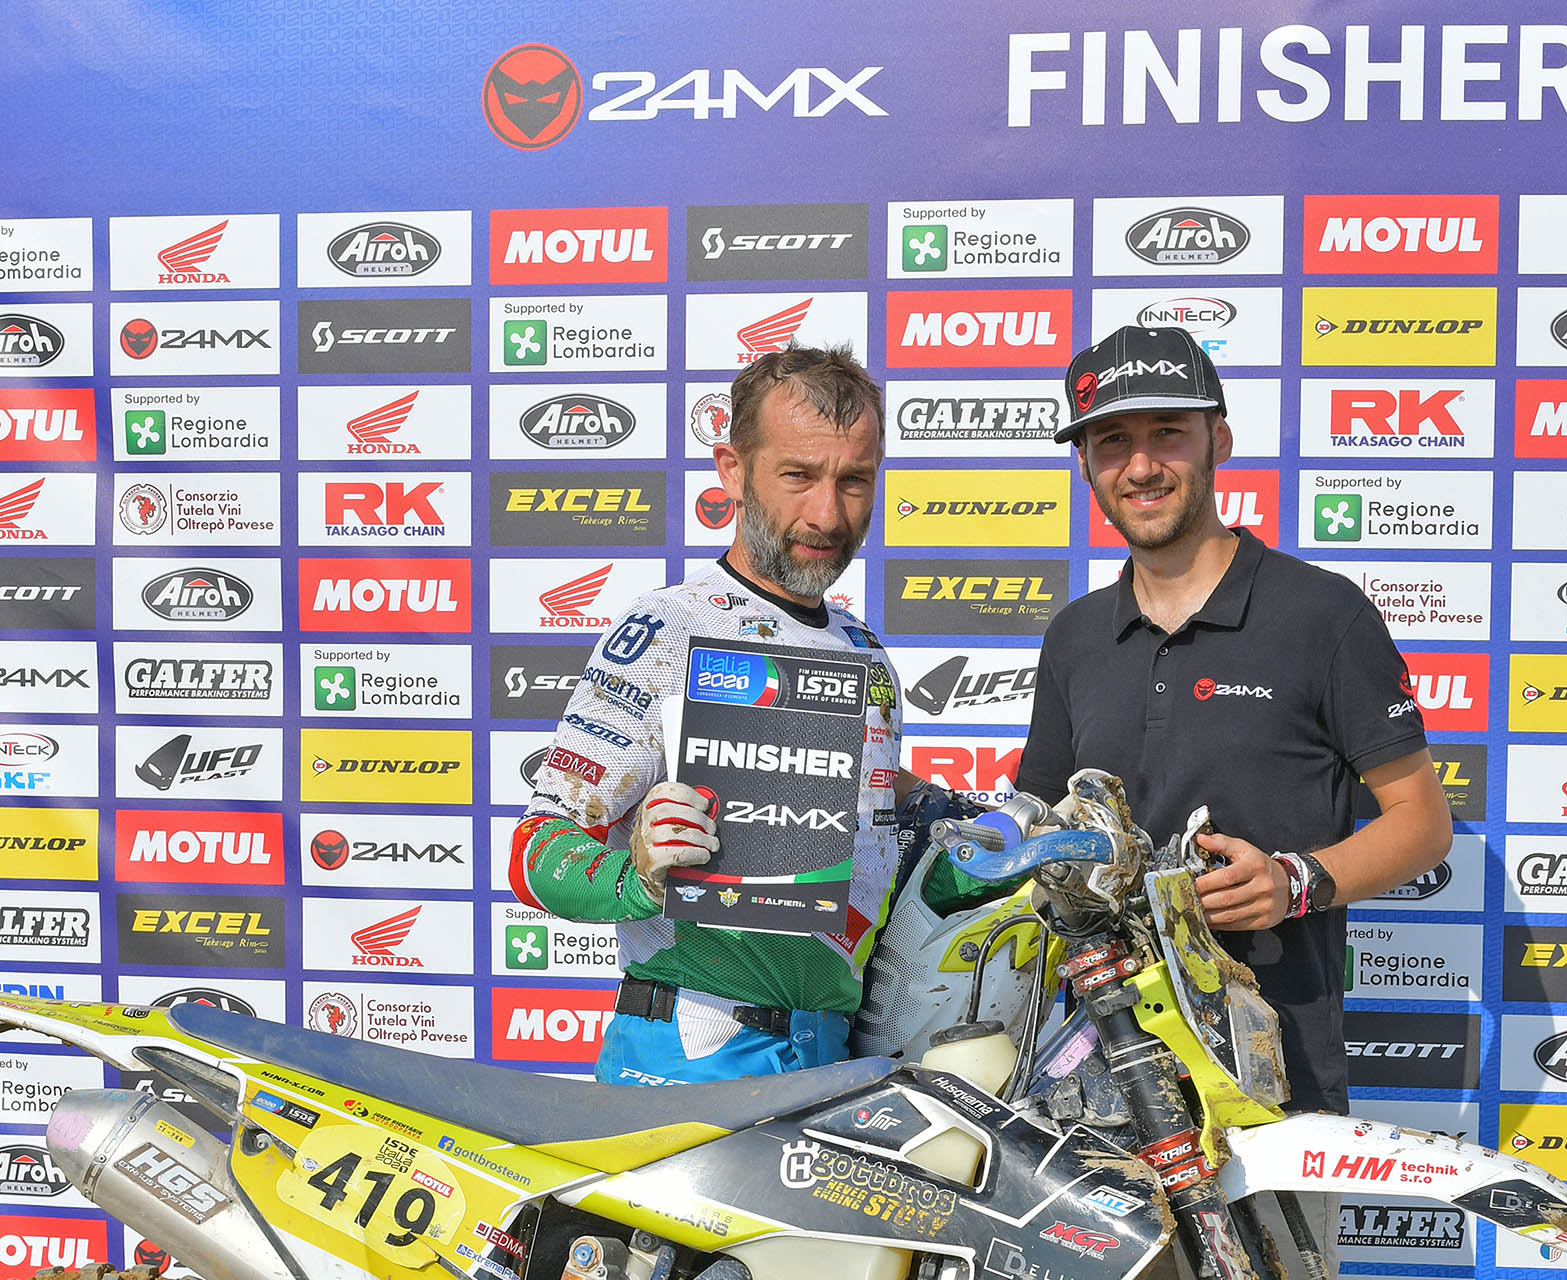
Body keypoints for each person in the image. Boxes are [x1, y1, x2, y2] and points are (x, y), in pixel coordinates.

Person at [1016, 325, 1455, 1277]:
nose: (1141, 466)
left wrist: (1297, 882)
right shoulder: (1076, 637)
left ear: (1219, 438)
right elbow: (1038, 835)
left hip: (1272, 1089)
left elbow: (1424, 824)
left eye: (1167, 434)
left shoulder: (1322, 614)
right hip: (1094, 1094)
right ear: (1085, 463)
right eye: (1112, 442)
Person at [511, 343, 996, 1087]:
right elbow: (536, 851)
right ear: (732, 470)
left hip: (837, 1057)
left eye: (854, 481)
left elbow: (873, 834)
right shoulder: (670, 630)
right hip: (692, 1052)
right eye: (798, 476)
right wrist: (639, 876)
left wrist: (978, 828)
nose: (827, 515)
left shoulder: (866, 654)